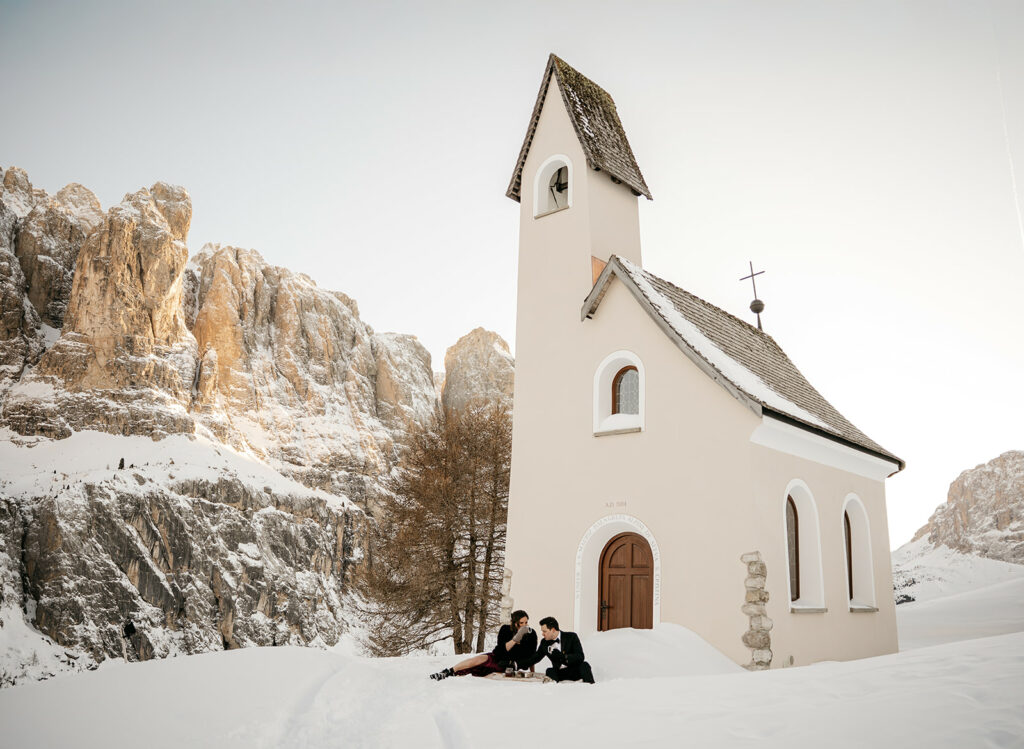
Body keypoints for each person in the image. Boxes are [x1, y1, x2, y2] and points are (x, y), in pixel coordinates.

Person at [430, 610, 538, 681]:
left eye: (526, 622)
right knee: (477, 660)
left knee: (478, 672)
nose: (525, 625)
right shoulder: (505, 629)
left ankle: (455, 677)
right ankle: (448, 671)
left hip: (508, 665)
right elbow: (501, 649)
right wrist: (515, 639)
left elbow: (532, 656)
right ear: (515, 623)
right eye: (521, 623)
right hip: (497, 657)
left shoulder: (531, 634)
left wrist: (532, 673)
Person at [530, 616, 595, 683]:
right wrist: (519, 664)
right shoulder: (544, 642)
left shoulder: (571, 637)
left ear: (552, 630)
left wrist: (563, 657)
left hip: (575, 671)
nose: (542, 634)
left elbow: (580, 656)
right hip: (560, 673)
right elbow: (535, 658)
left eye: (544, 631)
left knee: (584, 665)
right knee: (549, 670)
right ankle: (555, 689)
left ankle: (590, 688)